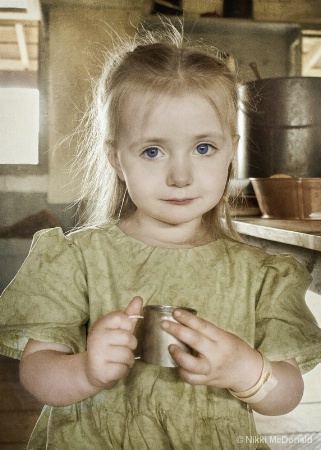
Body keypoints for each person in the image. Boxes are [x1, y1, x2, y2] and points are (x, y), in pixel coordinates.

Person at [1, 23, 321, 450]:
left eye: (203, 148)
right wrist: (86, 371)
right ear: (118, 158)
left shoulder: (262, 275)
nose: (181, 176)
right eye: (153, 151)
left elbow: (286, 395)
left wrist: (247, 371)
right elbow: (37, 373)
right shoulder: (76, 259)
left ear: (231, 148)